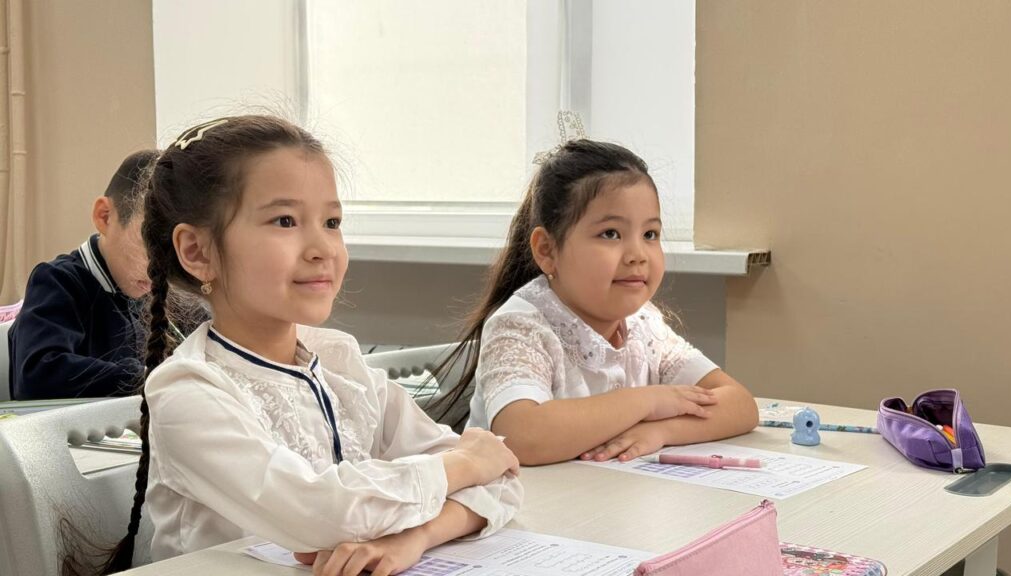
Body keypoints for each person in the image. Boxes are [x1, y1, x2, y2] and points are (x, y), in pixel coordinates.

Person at [97, 116, 521, 576]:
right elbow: (322, 512)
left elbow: (501, 478)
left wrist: (415, 537)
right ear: (197, 251)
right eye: (285, 221)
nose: (323, 248)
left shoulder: (340, 361)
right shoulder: (188, 389)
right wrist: (465, 463)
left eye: (332, 222)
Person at [434, 139, 759, 466]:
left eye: (650, 234)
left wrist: (661, 431)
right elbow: (522, 436)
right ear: (547, 250)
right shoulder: (520, 327)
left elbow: (740, 405)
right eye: (610, 234)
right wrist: (647, 402)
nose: (637, 255)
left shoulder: (645, 326)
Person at [8, 150, 158, 400]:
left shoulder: (153, 293)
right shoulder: (57, 282)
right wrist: (150, 378)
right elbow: (37, 375)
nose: (159, 270)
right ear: (105, 216)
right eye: (150, 243)